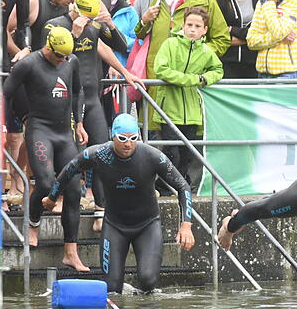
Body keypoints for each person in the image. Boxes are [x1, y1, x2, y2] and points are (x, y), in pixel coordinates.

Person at [43, 114, 195, 293]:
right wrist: (52, 198)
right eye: (122, 138)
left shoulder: (151, 156)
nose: (128, 144)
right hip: (115, 226)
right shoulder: (99, 154)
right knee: (112, 288)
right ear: (113, 136)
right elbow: (69, 170)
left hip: (147, 225)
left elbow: (183, 186)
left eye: (133, 139)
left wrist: (186, 224)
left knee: (148, 281)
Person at [46, 0, 141, 220]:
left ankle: (101, 209)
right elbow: (51, 59)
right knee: (69, 154)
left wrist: (125, 72)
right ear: (74, 7)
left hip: (92, 98)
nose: (87, 20)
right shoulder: (55, 26)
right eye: (84, 15)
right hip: (66, 99)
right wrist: (73, 34)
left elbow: (112, 46)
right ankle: (60, 199)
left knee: (104, 150)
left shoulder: (94, 25)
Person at [2, 26, 89, 272]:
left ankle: (70, 252)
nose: (62, 60)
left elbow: (76, 91)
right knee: (45, 182)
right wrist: (6, 125)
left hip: (64, 134)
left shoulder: (71, 61)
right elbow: (6, 93)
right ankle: (33, 222)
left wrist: (80, 123)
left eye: (65, 56)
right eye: (58, 56)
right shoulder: (28, 64)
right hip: (40, 130)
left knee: (73, 189)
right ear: (48, 47)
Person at [3, 0, 83, 198]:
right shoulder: (34, 0)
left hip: (52, 76)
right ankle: (17, 177)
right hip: (28, 74)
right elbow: (6, 32)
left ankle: (25, 178)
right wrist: (24, 57)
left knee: (37, 135)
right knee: (22, 133)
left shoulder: (69, 8)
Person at [152, 6, 223, 189]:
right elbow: (161, 68)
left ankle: (181, 186)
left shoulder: (206, 51)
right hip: (168, 108)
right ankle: (164, 187)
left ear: (205, 30)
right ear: (182, 26)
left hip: (191, 111)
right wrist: (190, 79)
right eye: (189, 24)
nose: (192, 29)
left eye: (198, 26)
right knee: (171, 151)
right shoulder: (170, 44)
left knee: (187, 153)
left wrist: (204, 79)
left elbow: (218, 70)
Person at [135, 0, 230, 81]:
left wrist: (199, 54)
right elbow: (140, 36)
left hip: (189, 78)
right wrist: (144, 20)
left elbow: (222, 40)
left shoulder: (207, 1)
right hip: (156, 76)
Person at [216, 0, 259, 78]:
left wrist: (231, 29)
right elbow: (219, 35)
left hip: (253, 65)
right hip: (226, 64)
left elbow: (260, 33)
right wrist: (248, 39)